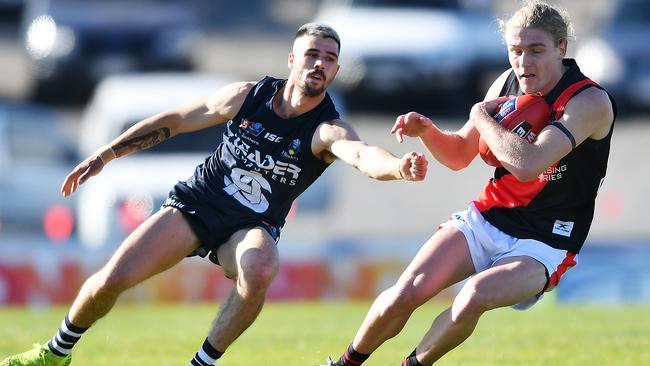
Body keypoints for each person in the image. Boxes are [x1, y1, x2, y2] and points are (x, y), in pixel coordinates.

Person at [1, 23, 428, 366]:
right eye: (313, 54)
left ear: (335, 71)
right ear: (293, 58)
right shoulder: (248, 96)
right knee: (111, 281)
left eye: (330, 59)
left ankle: (202, 363)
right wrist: (108, 153)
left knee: (261, 267)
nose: (320, 64)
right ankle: (54, 352)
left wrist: (397, 167)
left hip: (249, 226)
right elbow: (178, 119)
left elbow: (361, 154)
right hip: (196, 205)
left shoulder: (325, 128)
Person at [327, 2, 616, 365]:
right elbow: (459, 155)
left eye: (537, 51)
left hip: (547, 242)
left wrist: (480, 115)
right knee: (405, 293)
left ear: (562, 48)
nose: (524, 62)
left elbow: (527, 164)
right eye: (516, 51)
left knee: (473, 295)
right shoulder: (506, 83)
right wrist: (428, 132)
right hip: (490, 218)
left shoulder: (589, 101)